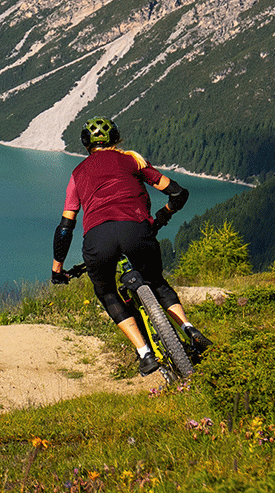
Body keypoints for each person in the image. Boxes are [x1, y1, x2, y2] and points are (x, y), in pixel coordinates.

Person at [50, 116, 210, 376]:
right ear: (116, 138)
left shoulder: (77, 174)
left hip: (97, 238)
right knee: (156, 283)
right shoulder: (132, 160)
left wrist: (57, 269)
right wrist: (162, 217)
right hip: (136, 228)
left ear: (85, 144)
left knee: (107, 292)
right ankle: (189, 329)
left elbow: (65, 227)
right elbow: (178, 193)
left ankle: (144, 353)